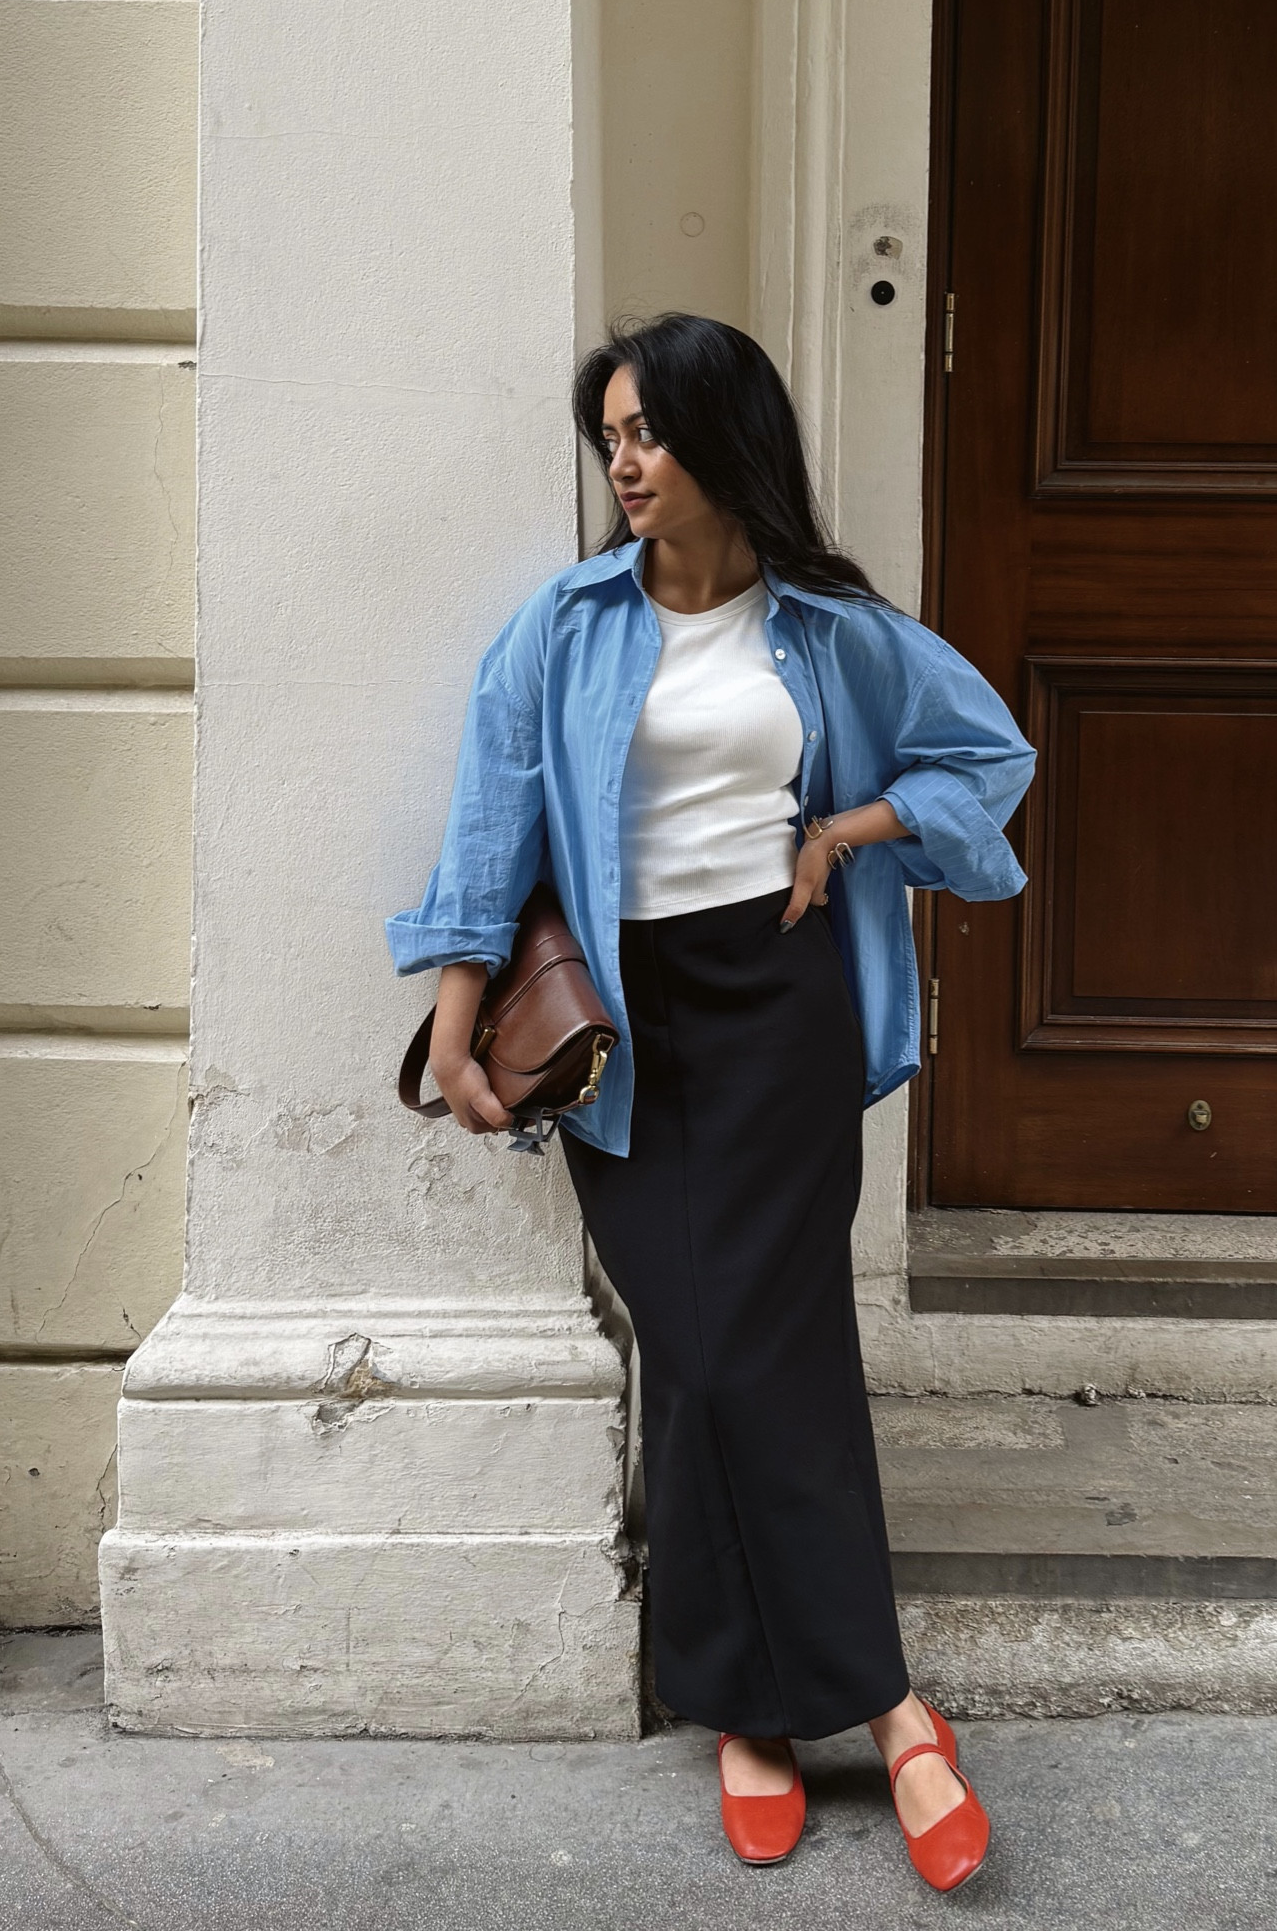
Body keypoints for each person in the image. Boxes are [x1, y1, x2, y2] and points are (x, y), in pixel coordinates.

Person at [386, 312, 1035, 1893]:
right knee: (699, 1350)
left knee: (774, 1343)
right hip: (626, 1032)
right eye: (608, 435)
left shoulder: (828, 628)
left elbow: (989, 758)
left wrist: (850, 827)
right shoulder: (567, 626)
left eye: (650, 433)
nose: (623, 462)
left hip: (782, 1013)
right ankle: (822, 1706)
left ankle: (810, 1710)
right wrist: (458, 1032)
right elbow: (496, 823)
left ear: (724, 443)